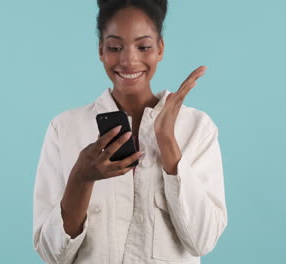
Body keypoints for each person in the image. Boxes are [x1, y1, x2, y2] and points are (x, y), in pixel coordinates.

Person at [32, 0, 228, 263]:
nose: (129, 60)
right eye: (115, 47)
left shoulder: (197, 128)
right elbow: (52, 254)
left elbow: (202, 241)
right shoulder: (65, 129)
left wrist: (168, 142)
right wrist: (80, 178)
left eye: (143, 46)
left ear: (160, 48)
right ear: (101, 50)